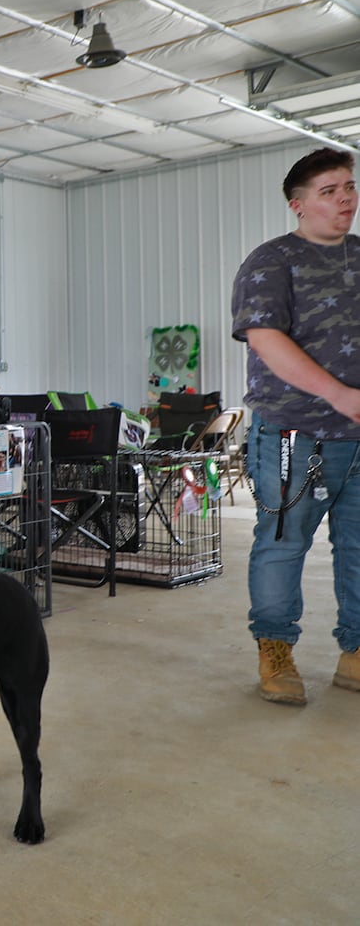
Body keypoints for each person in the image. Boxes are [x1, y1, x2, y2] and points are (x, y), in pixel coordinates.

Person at [230, 147, 360, 706]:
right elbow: (266, 338)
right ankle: (275, 650)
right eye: (329, 191)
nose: (346, 199)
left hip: (359, 438)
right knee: (283, 545)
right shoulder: (271, 261)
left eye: (350, 187)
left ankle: (355, 651)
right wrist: (340, 394)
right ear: (299, 205)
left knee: (358, 549)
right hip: (293, 433)